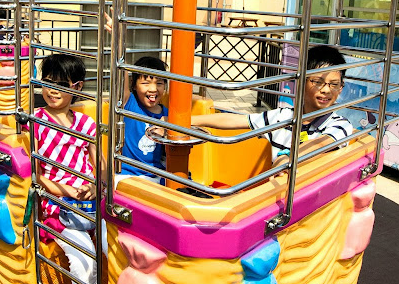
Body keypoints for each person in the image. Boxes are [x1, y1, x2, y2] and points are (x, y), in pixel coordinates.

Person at [191, 44, 353, 164]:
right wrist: (190, 121)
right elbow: (237, 120)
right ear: (301, 82)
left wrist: (286, 158)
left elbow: (320, 144)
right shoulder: (283, 116)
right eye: (318, 82)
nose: (326, 90)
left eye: (334, 84)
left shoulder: (340, 125)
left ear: (341, 88)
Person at [34, 53, 106, 284]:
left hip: (90, 202)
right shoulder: (36, 121)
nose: (52, 90)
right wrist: (67, 191)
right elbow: (36, 175)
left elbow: (100, 165)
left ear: (77, 87)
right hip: (58, 207)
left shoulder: (86, 124)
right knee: (84, 261)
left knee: (119, 247)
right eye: (48, 82)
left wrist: (95, 186)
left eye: (61, 84)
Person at [119, 56, 169, 184]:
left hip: (157, 175)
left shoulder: (167, 113)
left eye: (159, 83)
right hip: (129, 175)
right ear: (134, 85)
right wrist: (118, 46)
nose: (153, 89)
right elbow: (121, 72)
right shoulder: (129, 103)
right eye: (145, 83)